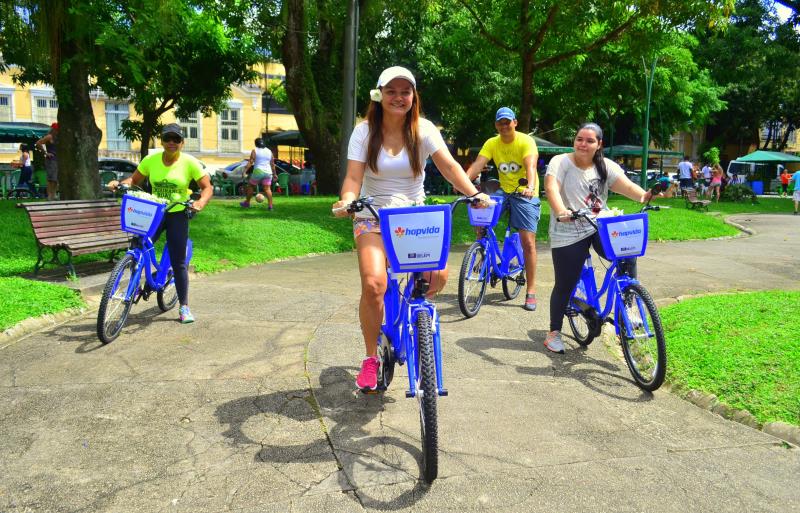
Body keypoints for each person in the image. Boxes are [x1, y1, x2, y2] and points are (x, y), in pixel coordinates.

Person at [332, 66, 489, 390]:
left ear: (413, 96)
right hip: (373, 215)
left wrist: (473, 194)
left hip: (413, 217)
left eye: (405, 91)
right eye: (391, 91)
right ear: (379, 94)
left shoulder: (424, 129)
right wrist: (348, 200)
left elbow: (449, 166)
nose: (398, 97)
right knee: (374, 284)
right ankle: (370, 358)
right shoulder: (364, 132)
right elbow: (353, 177)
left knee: (438, 277)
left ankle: (407, 309)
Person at [542, 123, 656, 354]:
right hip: (568, 228)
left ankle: (629, 309)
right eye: (579, 139)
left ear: (599, 144)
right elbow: (551, 188)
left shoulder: (605, 166)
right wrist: (561, 210)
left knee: (626, 254)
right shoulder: (561, 162)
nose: (583, 144)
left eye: (589, 140)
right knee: (565, 283)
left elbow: (628, 187)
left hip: (598, 225)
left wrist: (646, 195)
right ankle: (553, 332)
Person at [109, 123, 213, 323]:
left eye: (176, 139)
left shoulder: (190, 163)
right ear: (162, 141)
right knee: (138, 246)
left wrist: (200, 202)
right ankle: (138, 281)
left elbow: (207, 187)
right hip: (154, 212)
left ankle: (184, 307)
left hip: (177, 212)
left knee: (178, 261)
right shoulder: (151, 160)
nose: (171, 143)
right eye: (167, 139)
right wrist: (121, 183)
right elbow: (135, 180)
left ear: (182, 142)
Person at [466, 107, 541, 311]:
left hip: (524, 191)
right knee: (480, 214)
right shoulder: (492, 142)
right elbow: (478, 163)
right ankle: (481, 250)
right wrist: (463, 182)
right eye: (500, 122)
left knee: (528, 241)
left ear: (515, 122)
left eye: (508, 122)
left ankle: (531, 291)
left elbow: (531, 166)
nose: (504, 126)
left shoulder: (526, 141)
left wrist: (530, 187)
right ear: (496, 125)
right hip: (503, 191)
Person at [240, 138, 274, 210]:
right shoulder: (269, 151)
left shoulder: (255, 150)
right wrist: (275, 174)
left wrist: (245, 171)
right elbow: (272, 164)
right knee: (267, 189)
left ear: (256, 144)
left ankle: (247, 203)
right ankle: (270, 206)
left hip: (258, 171)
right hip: (268, 172)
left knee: (251, 186)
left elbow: (251, 161)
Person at [35, 122, 59, 200]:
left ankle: (54, 195)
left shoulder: (58, 137)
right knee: (51, 178)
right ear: (54, 130)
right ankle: (49, 196)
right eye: (57, 129)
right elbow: (38, 143)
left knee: (55, 179)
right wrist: (46, 153)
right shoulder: (49, 136)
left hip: (57, 160)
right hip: (51, 160)